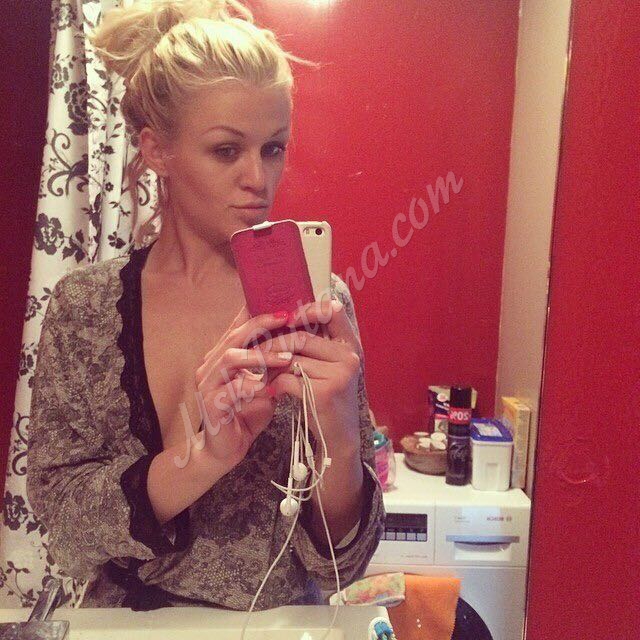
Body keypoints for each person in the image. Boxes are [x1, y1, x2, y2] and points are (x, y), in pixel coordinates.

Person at [26, 0, 384, 611]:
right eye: (226, 150)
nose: (258, 179)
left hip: (274, 626)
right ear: (156, 150)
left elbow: (342, 564)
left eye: (274, 148)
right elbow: (62, 523)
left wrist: (341, 433)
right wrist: (201, 460)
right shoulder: (86, 308)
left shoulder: (318, 306)